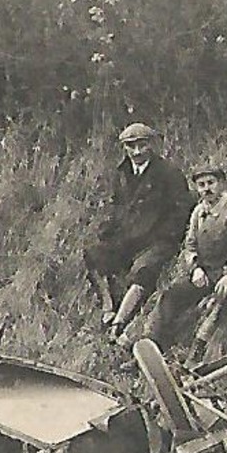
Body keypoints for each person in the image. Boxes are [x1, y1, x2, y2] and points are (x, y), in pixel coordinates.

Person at [85, 121, 192, 344]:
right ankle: (108, 308)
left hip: (158, 240)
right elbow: (117, 207)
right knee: (94, 254)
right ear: (124, 148)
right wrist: (109, 231)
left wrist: (163, 235)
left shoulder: (169, 173)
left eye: (141, 145)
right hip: (127, 238)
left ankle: (119, 324)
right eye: (131, 146)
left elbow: (182, 210)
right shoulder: (122, 173)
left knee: (143, 269)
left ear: (151, 145)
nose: (136, 152)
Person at [144, 164, 227, 355]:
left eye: (211, 183)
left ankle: (198, 352)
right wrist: (195, 268)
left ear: (221, 184)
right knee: (170, 295)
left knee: (219, 303)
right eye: (201, 185)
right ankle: (152, 348)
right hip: (205, 274)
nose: (207, 189)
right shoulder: (198, 212)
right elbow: (190, 246)